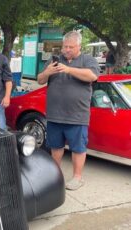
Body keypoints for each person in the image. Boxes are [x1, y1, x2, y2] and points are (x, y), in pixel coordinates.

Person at [37, 31, 100, 191]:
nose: (67, 49)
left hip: (77, 115)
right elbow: (40, 80)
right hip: (54, 115)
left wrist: (69, 69)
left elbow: (91, 76)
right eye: (65, 46)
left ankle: (77, 178)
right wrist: (48, 72)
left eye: (71, 47)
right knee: (56, 147)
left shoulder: (88, 60)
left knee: (78, 148)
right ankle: (56, 175)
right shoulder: (54, 61)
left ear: (79, 46)